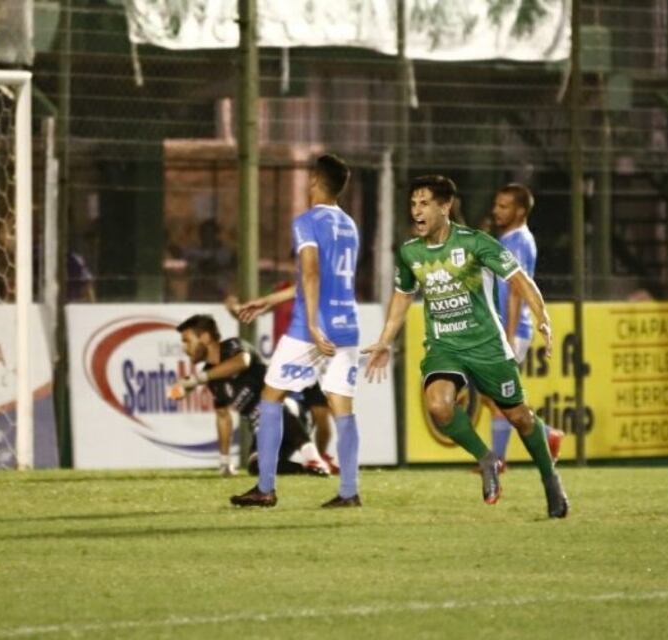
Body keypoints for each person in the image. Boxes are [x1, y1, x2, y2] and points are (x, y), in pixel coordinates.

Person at [363, 175, 568, 518]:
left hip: (487, 346)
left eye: (424, 203)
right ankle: (487, 458)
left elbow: (519, 279)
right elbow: (402, 296)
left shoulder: (475, 243)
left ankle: (551, 481)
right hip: (445, 346)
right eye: (413, 204)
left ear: (445, 207)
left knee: (521, 417)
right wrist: (386, 339)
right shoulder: (410, 252)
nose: (417, 211)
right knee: (439, 406)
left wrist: (542, 315)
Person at [230, 153, 361, 508]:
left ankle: (265, 488)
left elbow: (311, 272)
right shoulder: (349, 225)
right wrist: (269, 300)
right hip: (347, 326)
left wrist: (315, 326)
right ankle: (349, 492)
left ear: (316, 182)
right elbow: (324, 279)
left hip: (309, 327)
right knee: (343, 409)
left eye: (310, 178)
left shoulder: (306, 221)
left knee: (270, 398)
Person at [171, 314, 330, 477]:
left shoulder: (232, 346)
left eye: (187, 340)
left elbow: (242, 362)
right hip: (262, 428)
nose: (184, 348)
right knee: (256, 466)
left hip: (293, 412)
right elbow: (223, 417)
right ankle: (309, 469)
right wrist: (225, 462)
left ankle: (313, 458)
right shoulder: (211, 377)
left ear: (204, 337)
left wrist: (197, 379)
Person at [486, 183, 564, 468]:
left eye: (503, 206)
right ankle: (548, 435)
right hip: (505, 328)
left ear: (520, 211)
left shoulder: (518, 241)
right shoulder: (509, 239)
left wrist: (505, 336)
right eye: (496, 205)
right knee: (496, 396)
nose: (496, 210)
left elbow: (517, 290)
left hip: (513, 330)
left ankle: (498, 460)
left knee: (497, 396)